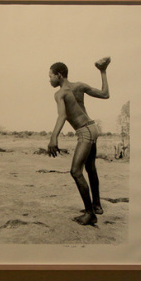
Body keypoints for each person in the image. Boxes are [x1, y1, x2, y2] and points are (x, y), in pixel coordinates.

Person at [47, 57, 111, 226]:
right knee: (90, 168)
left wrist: (54, 137)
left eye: (51, 76)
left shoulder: (60, 93)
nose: (49, 79)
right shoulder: (79, 86)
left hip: (84, 131)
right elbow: (106, 94)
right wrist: (103, 71)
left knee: (75, 171)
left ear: (59, 75)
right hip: (93, 128)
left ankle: (90, 214)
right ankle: (96, 205)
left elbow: (62, 115)